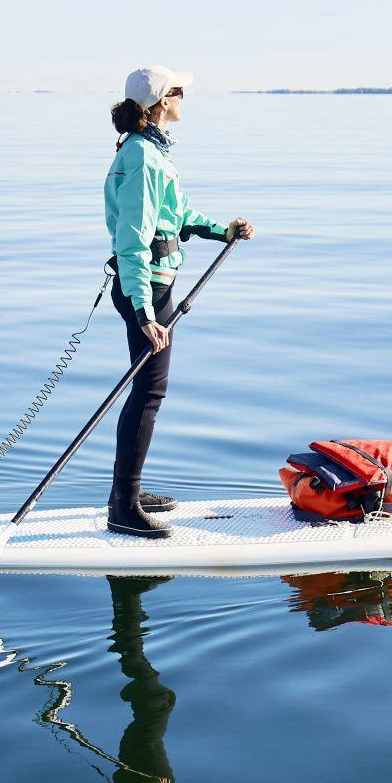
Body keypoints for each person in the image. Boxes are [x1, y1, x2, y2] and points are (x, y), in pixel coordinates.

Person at [104, 66, 253, 538]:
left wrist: (222, 230)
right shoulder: (144, 158)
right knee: (149, 393)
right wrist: (145, 313)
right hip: (147, 288)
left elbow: (177, 214)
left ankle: (128, 491)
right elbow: (132, 239)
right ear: (161, 101)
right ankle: (123, 507)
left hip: (151, 287)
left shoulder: (150, 152)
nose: (185, 97)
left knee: (147, 391)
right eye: (179, 91)